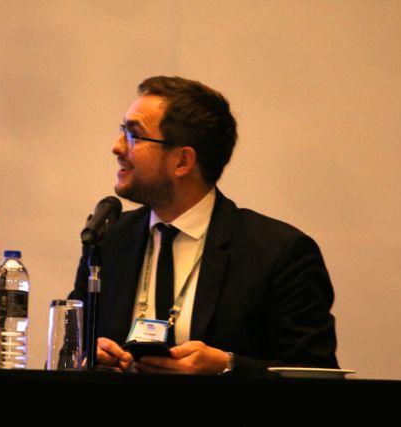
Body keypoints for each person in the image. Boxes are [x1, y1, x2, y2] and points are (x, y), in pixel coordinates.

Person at [71, 76, 338, 375]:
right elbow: (64, 359)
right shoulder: (109, 240)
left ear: (183, 161)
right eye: (123, 131)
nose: (117, 147)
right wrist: (88, 359)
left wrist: (226, 366)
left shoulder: (279, 253)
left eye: (134, 135)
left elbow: (317, 375)